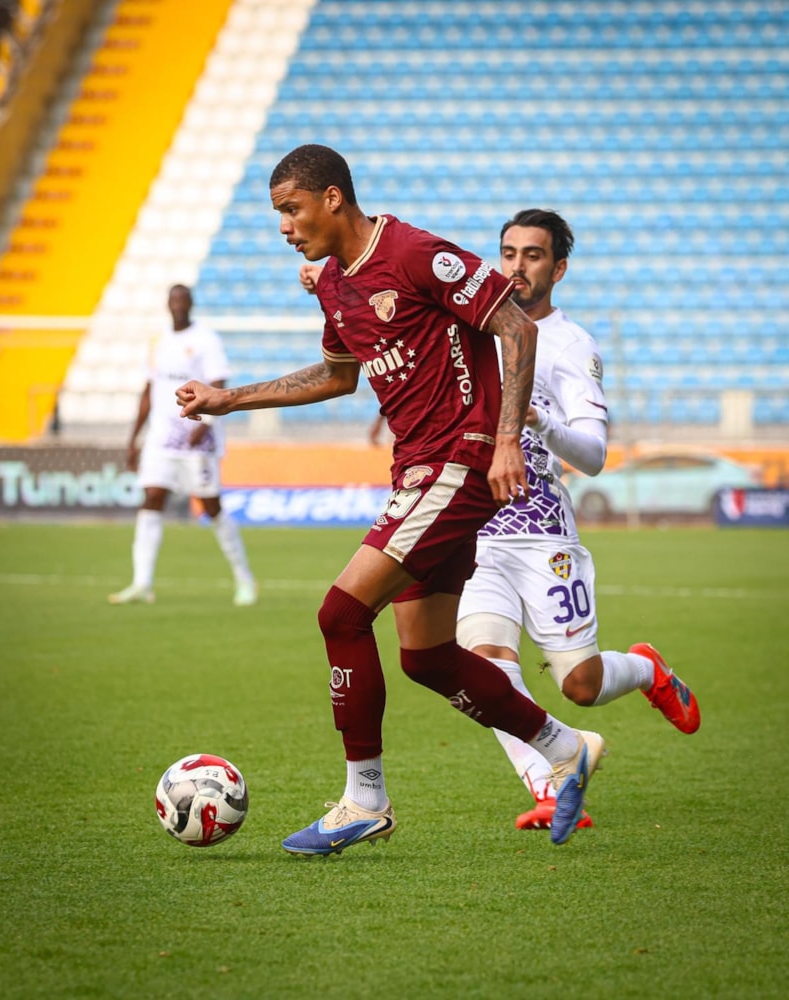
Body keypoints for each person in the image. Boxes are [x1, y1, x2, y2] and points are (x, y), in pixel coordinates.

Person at [176, 144, 606, 854]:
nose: (284, 227)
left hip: (459, 459)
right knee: (426, 656)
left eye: (291, 209)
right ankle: (565, 747)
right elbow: (337, 376)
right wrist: (230, 399)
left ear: (333, 198)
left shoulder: (414, 254)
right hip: (416, 470)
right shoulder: (335, 285)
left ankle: (364, 799)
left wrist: (505, 440)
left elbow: (517, 327)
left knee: (341, 613)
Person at [453, 209, 700, 831]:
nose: (517, 266)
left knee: (580, 686)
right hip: (476, 529)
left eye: (533, 255)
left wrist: (539, 420)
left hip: (542, 533)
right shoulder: (476, 325)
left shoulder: (570, 344)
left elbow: (592, 456)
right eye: (509, 253)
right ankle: (551, 783)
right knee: (483, 664)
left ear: (558, 269)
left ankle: (646, 668)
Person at [108, 284, 257, 607]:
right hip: (161, 438)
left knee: (211, 506)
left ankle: (244, 579)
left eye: (182, 300)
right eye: (173, 300)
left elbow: (219, 385)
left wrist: (205, 425)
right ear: (167, 304)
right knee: (152, 497)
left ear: (190, 303)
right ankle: (142, 583)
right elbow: (149, 390)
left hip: (196, 438)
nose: (177, 305)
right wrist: (133, 438)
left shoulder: (205, 340)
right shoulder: (158, 341)